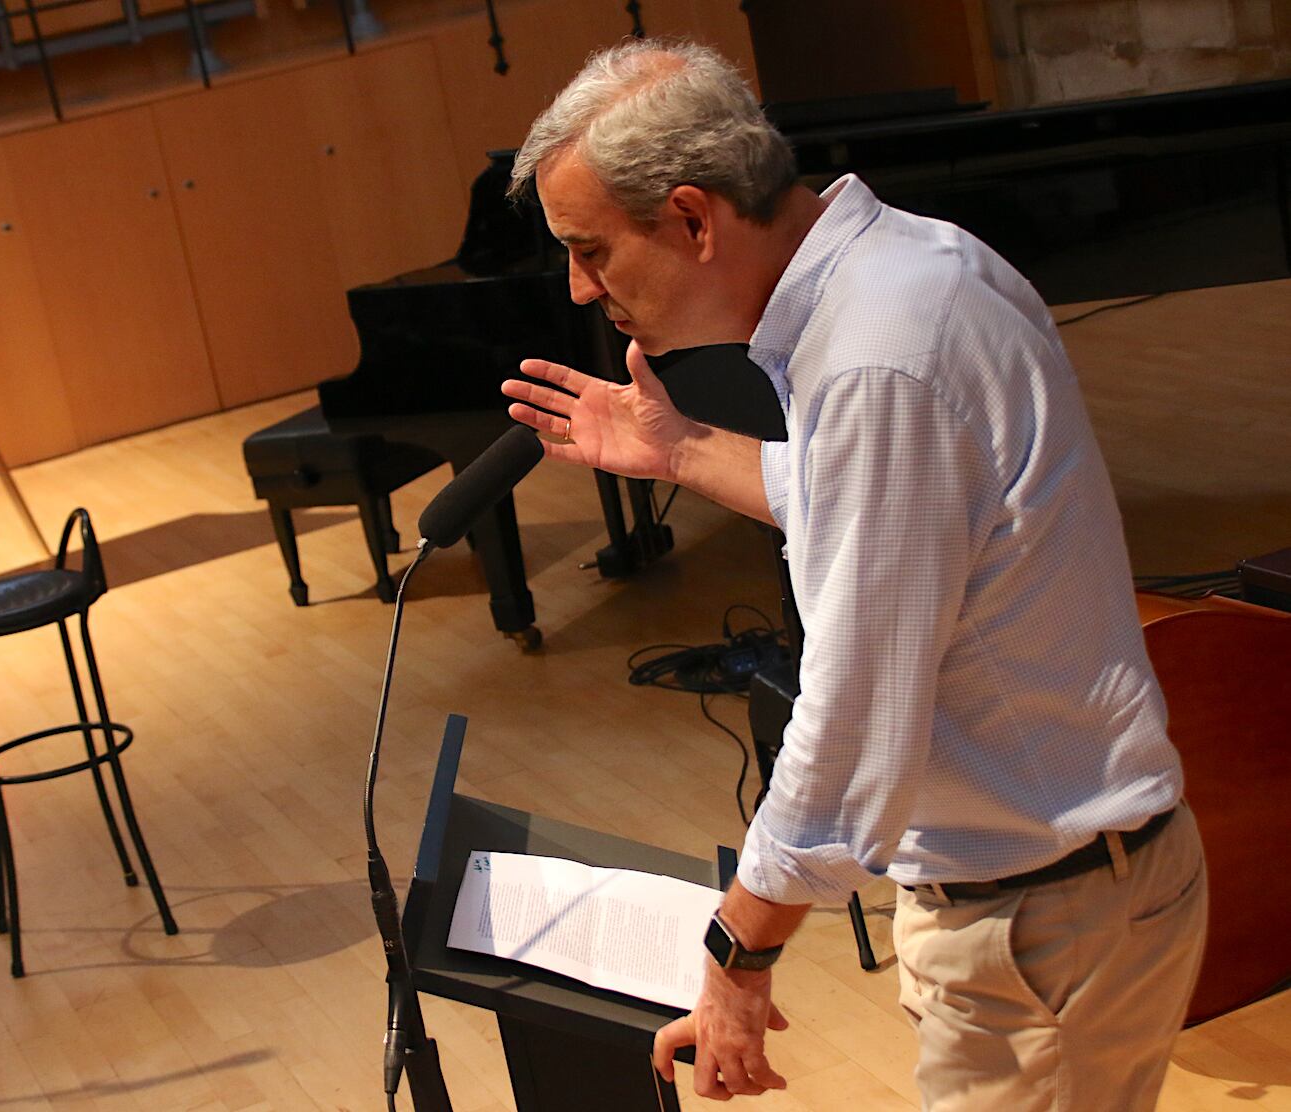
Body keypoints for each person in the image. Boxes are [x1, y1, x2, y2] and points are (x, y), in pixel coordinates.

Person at [501, 39, 1207, 1110]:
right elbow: (885, 510)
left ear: (693, 219)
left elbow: (853, 713)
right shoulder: (910, 266)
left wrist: (739, 946)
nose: (579, 285)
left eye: (591, 250)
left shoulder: (876, 355)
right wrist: (682, 448)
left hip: (1046, 924)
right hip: (1062, 897)